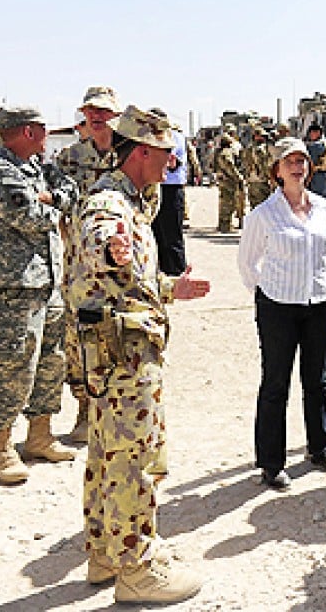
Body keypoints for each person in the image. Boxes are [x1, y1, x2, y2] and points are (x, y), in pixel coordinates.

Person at [66, 105, 210, 603]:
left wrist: (172, 289)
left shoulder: (133, 200)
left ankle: (107, 553)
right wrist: (113, 250)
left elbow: (129, 283)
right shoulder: (111, 203)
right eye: (167, 153)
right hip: (123, 353)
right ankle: (137, 570)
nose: (171, 163)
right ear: (142, 151)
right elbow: (102, 244)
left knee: (107, 453)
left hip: (117, 346)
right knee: (134, 457)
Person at [237, 137, 326, 491]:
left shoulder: (324, 208)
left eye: (302, 160)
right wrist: (267, 296)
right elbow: (247, 263)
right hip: (279, 307)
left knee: (317, 380)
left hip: (320, 302)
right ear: (276, 171)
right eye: (289, 161)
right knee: (275, 384)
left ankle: (320, 447)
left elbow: (324, 255)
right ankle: (271, 463)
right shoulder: (263, 215)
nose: (297, 166)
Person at [0, 106, 78, 485]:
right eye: (43, 130)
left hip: (48, 278)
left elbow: (71, 193)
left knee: (51, 359)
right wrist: (53, 207)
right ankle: (1, 447)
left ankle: (40, 435)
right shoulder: (3, 169)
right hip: (14, 285)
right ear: (27, 131)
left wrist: (52, 199)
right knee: (14, 365)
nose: (48, 136)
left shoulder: (38, 167)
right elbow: (26, 215)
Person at [56, 85, 124, 443]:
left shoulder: (129, 154)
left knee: (118, 333)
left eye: (104, 111)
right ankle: (85, 411)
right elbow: (56, 202)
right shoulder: (69, 157)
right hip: (79, 263)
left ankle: (116, 411)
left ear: (116, 114)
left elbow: (150, 201)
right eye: (91, 111)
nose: (97, 117)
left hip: (119, 263)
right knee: (78, 336)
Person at [151, 118, 188, 276]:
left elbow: (172, 162)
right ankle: (161, 269)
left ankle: (177, 271)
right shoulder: (152, 136)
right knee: (156, 231)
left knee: (171, 234)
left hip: (171, 188)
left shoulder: (174, 137)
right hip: (155, 186)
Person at [214, 125, 244, 233]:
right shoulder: (226, 153)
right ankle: (225, 226)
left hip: (223, 179)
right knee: (228, 203)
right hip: (228, 180)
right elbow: (230, 166)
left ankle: (223, 224)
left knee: (224, 202)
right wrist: (238, 177)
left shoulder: (218, 151)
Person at [305, 123, 326, 224]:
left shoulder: (316, 146)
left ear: (317, 133)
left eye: (312, 133)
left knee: (317, 203)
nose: (310, 135)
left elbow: (310, 160)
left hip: (317, 176)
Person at [243, 126, 273, 209]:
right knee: (263, 208)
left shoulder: (249, 148)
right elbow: (264, 165)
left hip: (251, 181)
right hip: (261, 181)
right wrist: (270, 177)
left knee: (254, 208)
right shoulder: (261, 149)